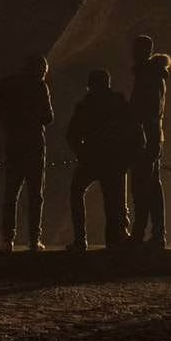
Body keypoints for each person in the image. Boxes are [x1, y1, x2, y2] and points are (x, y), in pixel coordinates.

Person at [66, 68, 142, 252]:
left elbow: (72, 134)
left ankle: (80, 240)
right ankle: (113, 241)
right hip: (115, 160)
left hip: (91, 159)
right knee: (114, 203)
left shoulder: (85, 105)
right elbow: (134, 130)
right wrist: (129, 157)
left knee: (77, 193)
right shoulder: (118, 103)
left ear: (90, 85)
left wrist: (81, 152)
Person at [0, 54, 55, 251]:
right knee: (35, 195)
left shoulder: (8, 84)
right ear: (40, 69)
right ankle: (34, 239)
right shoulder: (40, 86)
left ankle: (7, 239)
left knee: (10, 194)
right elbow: (49, 117)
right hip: (34, 144)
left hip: (14, 144)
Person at [128, 35, 171, 249]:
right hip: (154, 136)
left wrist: (140, 135)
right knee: (153, 185)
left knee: (141, 186)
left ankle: (140, 234)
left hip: (145, 138)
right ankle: (157, 233)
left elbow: (146, 110)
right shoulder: (155, 74)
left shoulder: (147, 76)